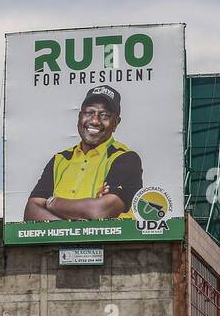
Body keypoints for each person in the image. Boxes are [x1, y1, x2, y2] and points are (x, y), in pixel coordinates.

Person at [22, 85, 144, 223]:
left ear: (115, 123)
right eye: (89, 112)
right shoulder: (60, 160)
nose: (95, 121)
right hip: (61, 244)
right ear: (80, 116)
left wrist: (52, 203)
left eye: (104, 115)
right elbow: (31, 212)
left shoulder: (125, 158)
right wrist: (70, 230)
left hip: (111, 244)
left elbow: (100, 211)